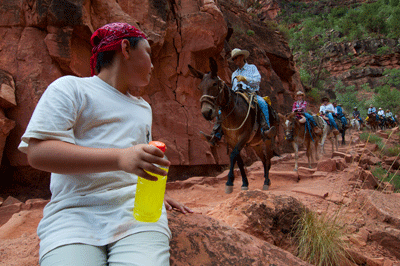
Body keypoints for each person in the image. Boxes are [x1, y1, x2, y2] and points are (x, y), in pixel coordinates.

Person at [18, 22, 193, 266]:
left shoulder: (143, 108)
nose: (152, 65)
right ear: (125, 48)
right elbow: (38, 153)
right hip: (72, 215)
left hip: (137, 215)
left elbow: (137, 163)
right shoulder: (71, 89)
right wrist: (119, 158)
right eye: (148, 54)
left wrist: (155, 194)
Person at [201, 48, 276, 145]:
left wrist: (245, 79)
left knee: (262, 103)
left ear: (242, 57)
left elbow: (257, 80)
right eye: (233, 59)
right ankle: (216, 134)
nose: (235, 61)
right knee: (221, 110)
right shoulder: (234, 74)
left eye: (236, 58)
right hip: (237, 95)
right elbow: (233, 88)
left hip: (250, 93)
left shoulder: (252, 68)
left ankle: (265, 129)